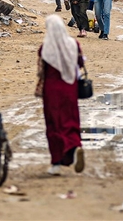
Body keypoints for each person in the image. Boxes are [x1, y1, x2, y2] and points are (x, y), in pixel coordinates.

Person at [35, 15, 85, 176]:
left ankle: (56, 162)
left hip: (52, 91)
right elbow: (80, 64)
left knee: (54, 124)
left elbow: (41, 72)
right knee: (71, 120)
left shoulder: (45, 49)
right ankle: (75, 145)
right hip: (70, 88)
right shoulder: (74, 44)